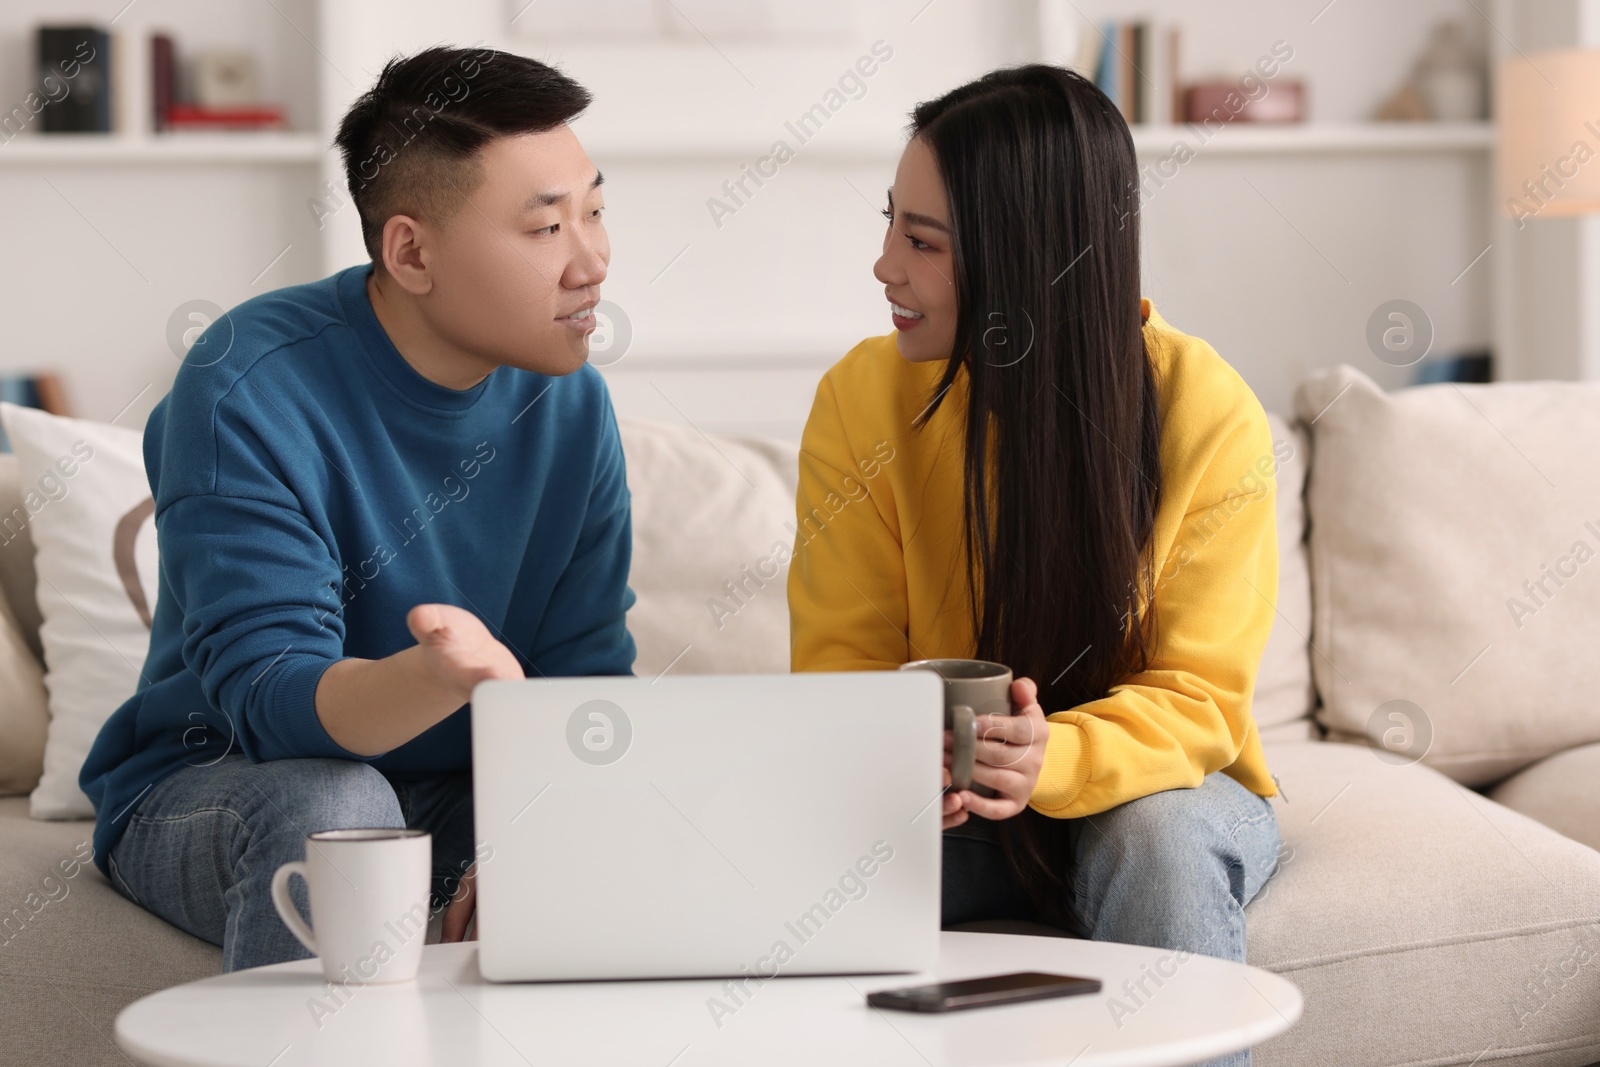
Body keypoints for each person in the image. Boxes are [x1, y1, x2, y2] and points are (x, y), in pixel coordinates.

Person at [78, 45, 635, 971]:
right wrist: (439, 676)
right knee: (339, 814)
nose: (594, 261)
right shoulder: (246, 386)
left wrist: (537, 831)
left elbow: (587, 680)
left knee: (627, 829)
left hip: (457, 793)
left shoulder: (571, 403)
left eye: (597, 211)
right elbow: (271, 701)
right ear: (410, 249)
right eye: (546, 230)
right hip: (226, 779)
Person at [787, 65, 1283, 1067]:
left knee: (1155, 841)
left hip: (1153, 793)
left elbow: (1199, 696)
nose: (884, 265)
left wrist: (1047, 756)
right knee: (779, 859)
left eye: (922, 242)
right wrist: (891, 758)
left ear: (1028, 257)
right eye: (893, 224)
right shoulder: (861, 399)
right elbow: (836, 670)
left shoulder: (1203, 405)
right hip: (958, 816)